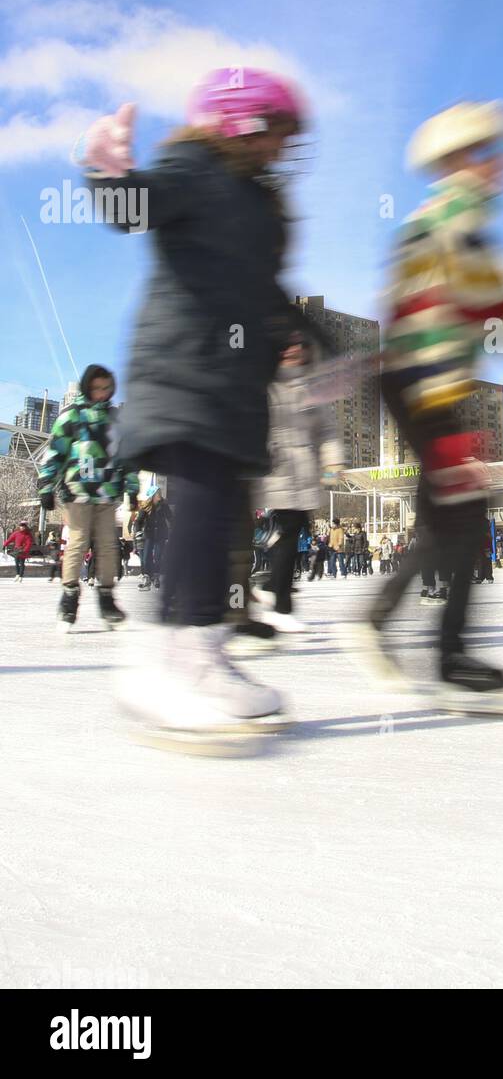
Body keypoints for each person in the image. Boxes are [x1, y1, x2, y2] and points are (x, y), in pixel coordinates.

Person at [78, 70, 308, 734]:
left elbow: (264, 291)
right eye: (275, 136)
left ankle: (199, 651)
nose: (280, 152)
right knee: (203, 507)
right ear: (239, 123)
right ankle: (167, 662)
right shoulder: (196, 165)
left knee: (222, 514)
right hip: (185, 372)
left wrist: (297, 337)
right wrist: (109, 170)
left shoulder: (257, 203)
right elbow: (134, 209)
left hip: (230, 384)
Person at [352, 102, 503, 707]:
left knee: (445, 523)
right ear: (460, 159)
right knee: (463, 520)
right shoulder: (450, 220)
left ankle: (380, 619)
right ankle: (450, 658)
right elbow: (463, 312)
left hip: (427, 387)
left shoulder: (459, 222)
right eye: (490, 152)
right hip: (424, 386)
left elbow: (497, 306)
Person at [249, 333, 344, 631]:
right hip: (276, 468)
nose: (294, 351)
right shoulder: (267, 384)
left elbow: (327, 430)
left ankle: (269, 587)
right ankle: (281, 605)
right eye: (288, 346)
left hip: (304, 470)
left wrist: (332, 464)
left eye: (300, 346)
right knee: (289, 532)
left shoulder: (312, 386)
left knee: (295, 531)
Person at [36, 364, 138, 628]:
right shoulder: (71, 416)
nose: (101, 393)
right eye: (96, 388)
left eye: (106, 388)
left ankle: (106, 596)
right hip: (77, 492)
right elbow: (56, 452)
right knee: (78, 542)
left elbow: (127, 457)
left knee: (107, 544)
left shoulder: (115, 419)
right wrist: (46, 486)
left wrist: (132, 487)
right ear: (87, 387)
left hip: (106, 493)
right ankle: (69, 596)